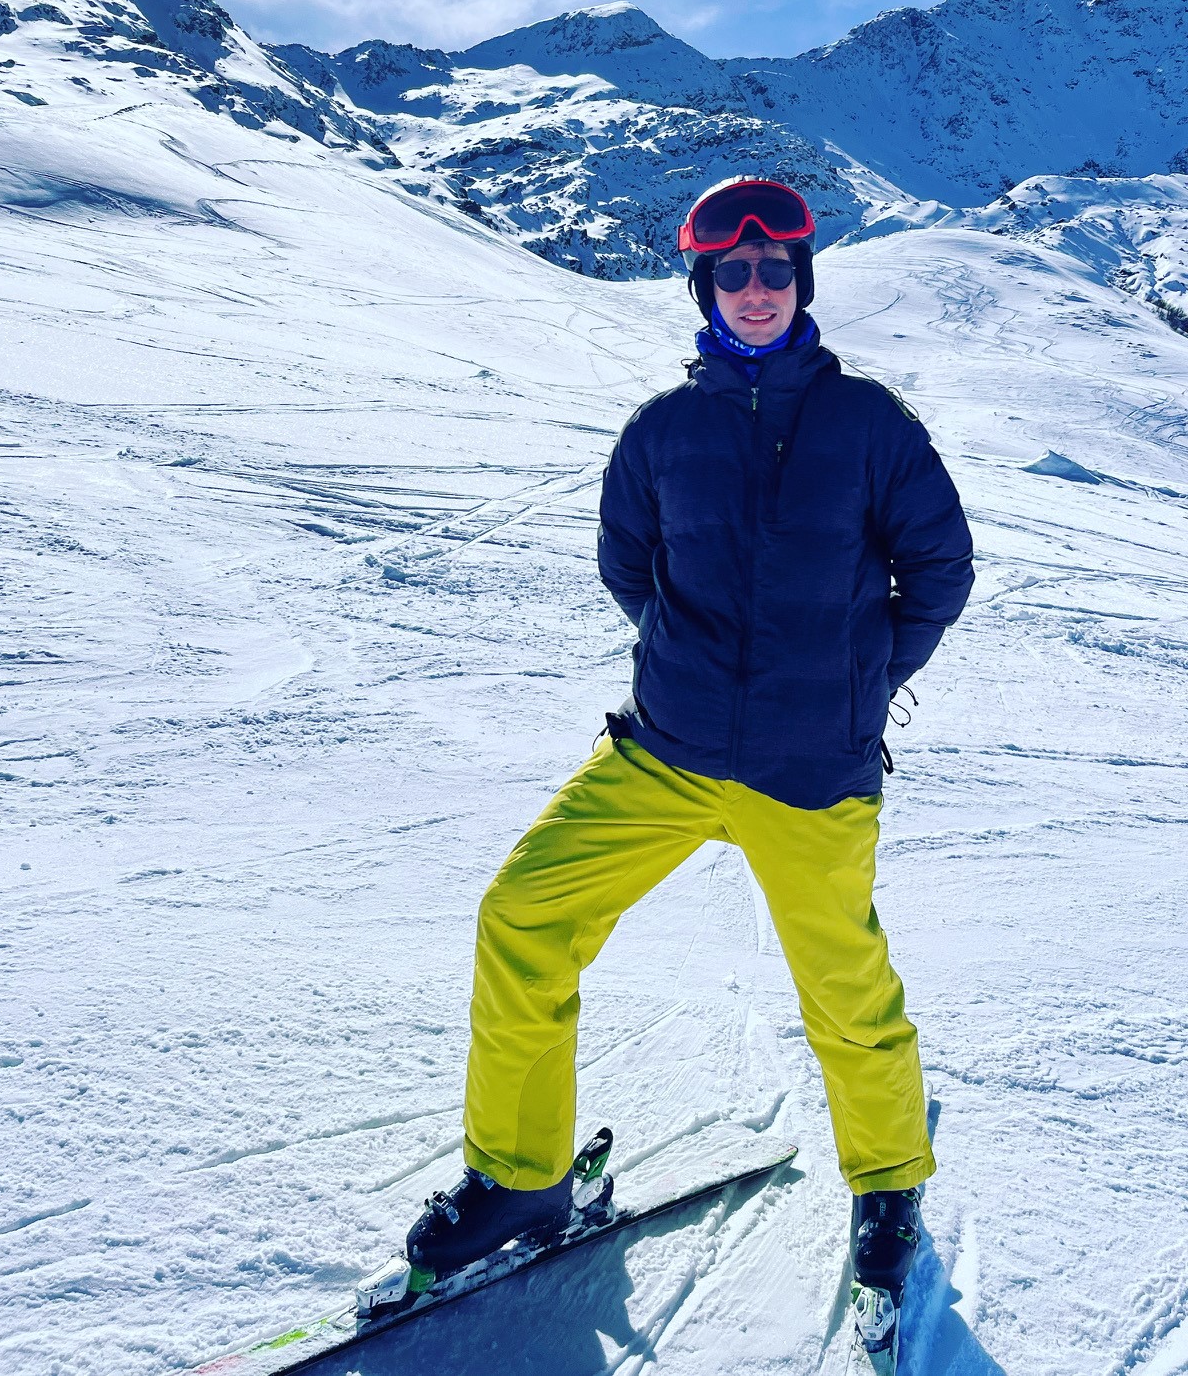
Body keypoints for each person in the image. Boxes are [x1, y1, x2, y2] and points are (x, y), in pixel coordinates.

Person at [405, 175, 975, 1315]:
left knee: (844, 989)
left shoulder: (870, 424)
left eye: (775, 271)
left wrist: (858, 685)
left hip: (810, 769)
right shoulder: (662, 431)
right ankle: (522, 1179)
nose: (756, 290)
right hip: (664, 751)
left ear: (801, 280)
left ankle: (888, 1184)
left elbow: (939, 571)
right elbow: (630, 567)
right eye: (733, 273)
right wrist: (690, 665)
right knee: (524, 914)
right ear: (704, 287)